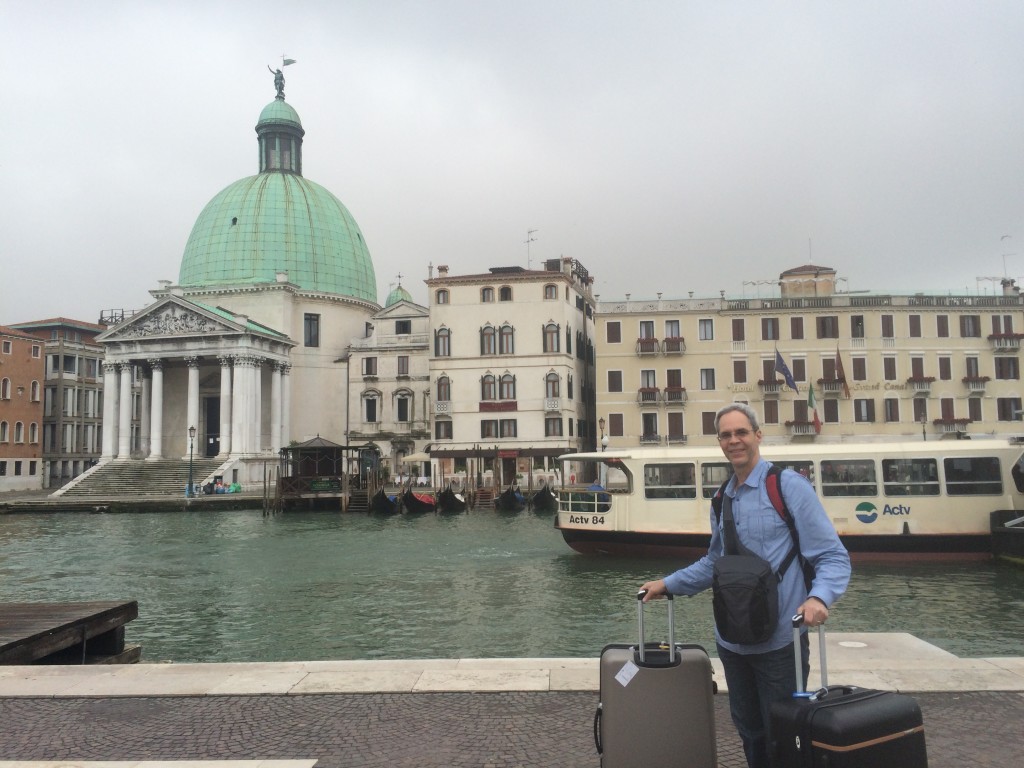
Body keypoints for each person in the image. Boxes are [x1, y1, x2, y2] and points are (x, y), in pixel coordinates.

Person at [640, 402, 851, 768]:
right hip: (733, 642)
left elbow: (833, 556)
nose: (733, 441)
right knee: (750, 731)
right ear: (719, 442)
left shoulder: (788, 487)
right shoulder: (723, 497)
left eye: (741, 432)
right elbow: (715, 563)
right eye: (725, 435)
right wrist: (667, 584)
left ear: (757, 435)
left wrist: (819, 598)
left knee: (782, 734)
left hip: (781, 641)